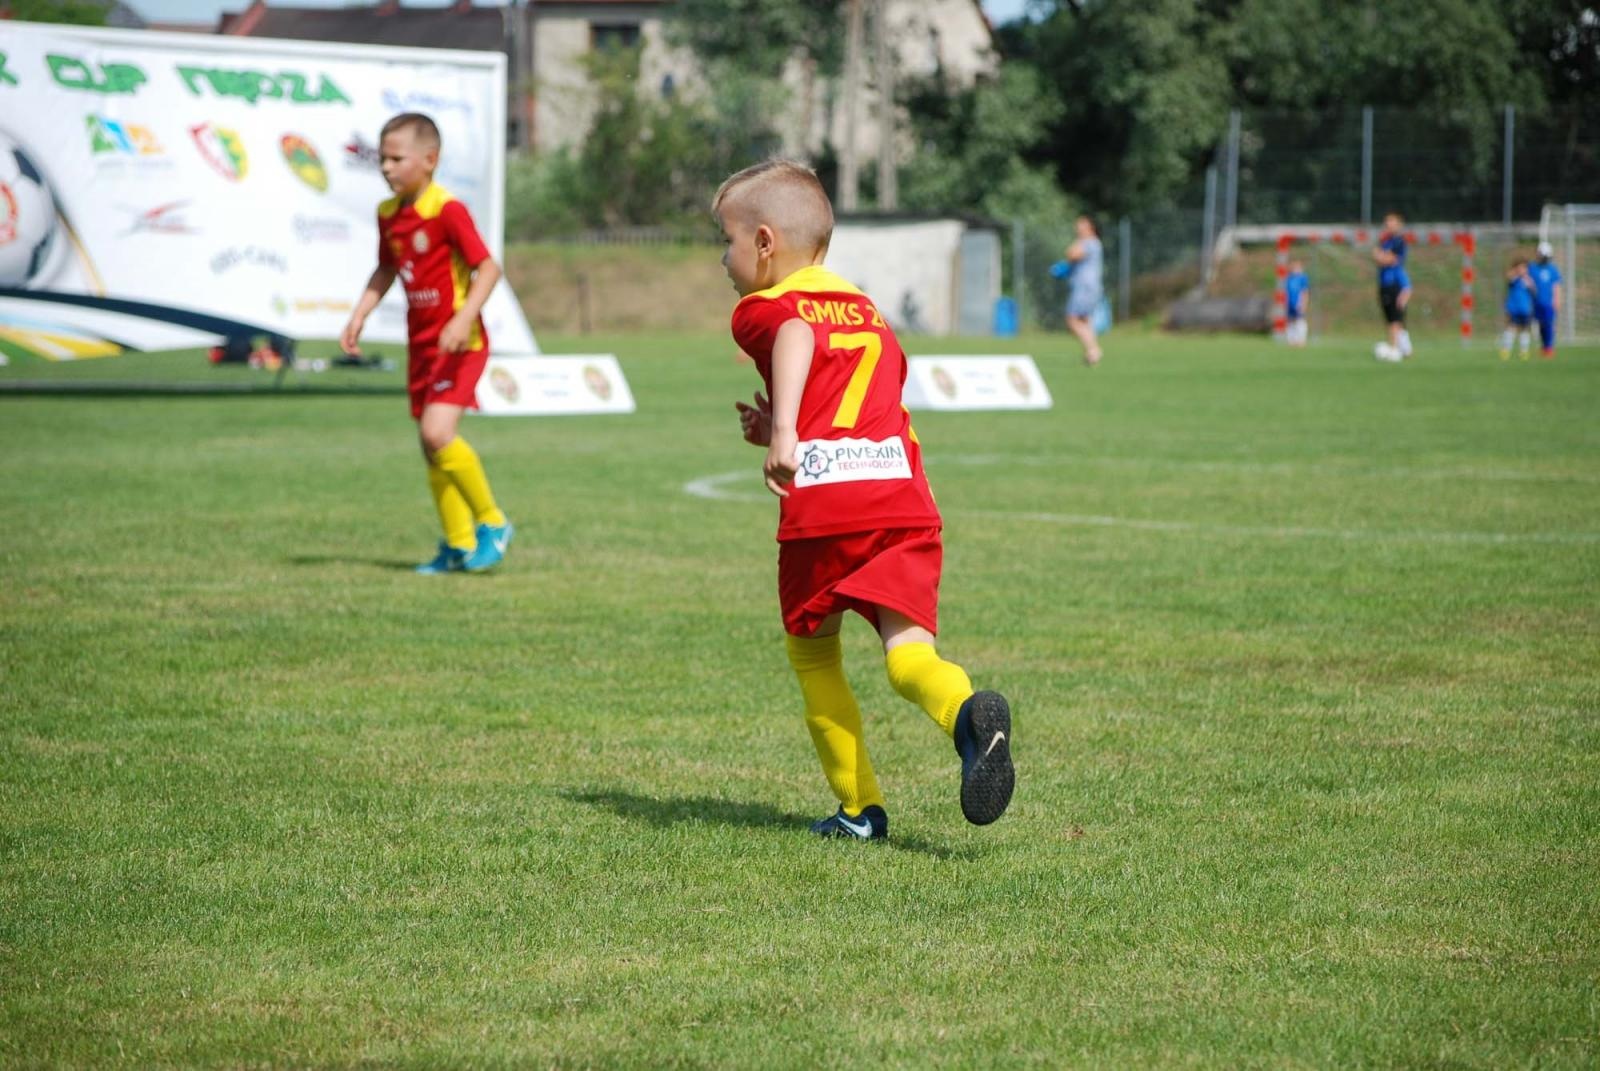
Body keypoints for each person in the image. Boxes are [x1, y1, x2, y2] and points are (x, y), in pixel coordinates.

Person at [714, 158, 1014, 841]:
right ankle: (969, 716)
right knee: (910, 657)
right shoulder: (866, 307)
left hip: (827, 506)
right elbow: (864, 390)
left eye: (725, 241)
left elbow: (797, 335)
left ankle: (860, 811)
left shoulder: (762, 307)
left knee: (814, 657)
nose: (722, 260)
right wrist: (787, 419)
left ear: (765, 243)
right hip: (903, 499)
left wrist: (785, 430)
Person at [340, 113, 513, 574]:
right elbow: (386, 268)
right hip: (421, 346)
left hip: (461, 343)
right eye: (383, 159)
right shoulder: (388, 214)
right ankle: (456, 544)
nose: (387, 168)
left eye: (397, 159)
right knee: (429, 445)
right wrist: (360, 312)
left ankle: (492, 522)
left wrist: (462, 318)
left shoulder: (446, 209)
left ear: (430, 160)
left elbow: (488, 268)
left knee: (438, 433)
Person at [1063, 215, 1105, 366]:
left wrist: (1077, 242)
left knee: (1072, 319)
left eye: (1081, 225)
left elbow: (1071, 254)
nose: (1078, 228)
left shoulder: (1090, 243)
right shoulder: (1092, 243)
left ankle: (1094, 349)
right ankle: (1092, 353)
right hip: (1088, 287)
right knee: (1085, 320)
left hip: (1085, 287)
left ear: (1090, 227)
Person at [1373, 212, 1413, 359]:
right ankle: (1405, 349)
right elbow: (1377, 256)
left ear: (1398, 224)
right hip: (1384, 284)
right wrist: (1381, 256)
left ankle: (1395, 349)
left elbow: (1389, 259)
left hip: (1394, 284)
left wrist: (1382, 257)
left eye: (1391, 222)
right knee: (1392, 319)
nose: (1388, 225)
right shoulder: (1384, 241)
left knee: (1395, 319)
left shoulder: (1398, 241)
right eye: (1387, 222)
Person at [1529, 241, 1564, 359]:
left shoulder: (1552, 269)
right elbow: (1528, 283)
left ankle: (1549, 347)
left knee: (1548, 324)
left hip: (1548, 303)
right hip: (1536, 302)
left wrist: (1557, 299)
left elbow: (1556, 286)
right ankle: (1544, 347)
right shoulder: (1533, 267)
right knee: (1541, 325)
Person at [1500, 257, 1535, 361]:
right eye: (1519, 268)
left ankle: (1524, 351)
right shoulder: (1514, 279)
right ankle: (1506, 350)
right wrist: (1515, 272)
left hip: (1525, 309)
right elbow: (1508, 278)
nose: (1522, 270)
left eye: (1524, 268)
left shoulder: (1528, 280)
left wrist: (1530, 285)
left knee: (1525, 329)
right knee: (1511, 328)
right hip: (1514, 309)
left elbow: (1534, 292)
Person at [1284, 259, 1310, 347]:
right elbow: (1286, 292)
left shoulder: (1302, 278)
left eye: (1297, 267)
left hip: (1298, 303)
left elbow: (1305, 292)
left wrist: (1303, 303)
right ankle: (1291, 340)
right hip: (1290, 303)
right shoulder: (1289, 278)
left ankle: (1301, 340)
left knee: (1300, 321)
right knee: (1290, 322)